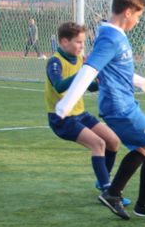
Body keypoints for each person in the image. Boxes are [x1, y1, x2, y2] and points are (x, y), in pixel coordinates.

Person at [55, 0, 145, 220]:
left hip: (121, 104)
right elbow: (89, 70)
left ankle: (113, 193)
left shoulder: (113, 35)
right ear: (128, 12)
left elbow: (117, 70)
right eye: (138, 16)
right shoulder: (110, 37)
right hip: (121, 108)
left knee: (141, 149)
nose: (138, 21)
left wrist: (140, 82)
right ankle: (144, 205)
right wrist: (66, 105)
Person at [45, 22, 126, 204]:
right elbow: (59, 86)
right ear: (64, 42)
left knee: (113, 141)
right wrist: (82, 73)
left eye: (83, 43)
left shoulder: (81, 60)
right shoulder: (55, 61)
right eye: (79, 42)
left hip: (80, 114)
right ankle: (108, 191)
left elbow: (89, 86)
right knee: (98, 144)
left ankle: (102, 180)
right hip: (61, 118)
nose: (82, 46)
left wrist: (105, 83)